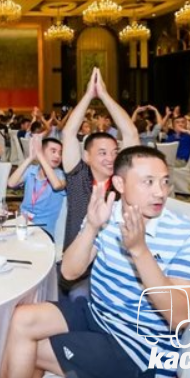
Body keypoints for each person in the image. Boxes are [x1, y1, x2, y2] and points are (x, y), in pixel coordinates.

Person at [0, 146, 190, 378]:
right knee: (19, 319)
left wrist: (140, 251)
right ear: (120, 184)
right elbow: (69, 272)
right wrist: (92, 226)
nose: (160, 192)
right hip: (98, 314)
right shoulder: (107, 213)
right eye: (148, 182)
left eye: (164, 182)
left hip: (139, 346)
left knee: (26, 351)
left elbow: (180, 318)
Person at [61, 67, 140, 253]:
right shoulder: (77, 176)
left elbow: (131, 133)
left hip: (112, 258)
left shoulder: (120, 181)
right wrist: (89, 95)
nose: (111, 158)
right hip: (77, 257)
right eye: (102, 153)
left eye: (114, 152)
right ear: (87, 156)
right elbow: (68, 133)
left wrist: (104, 95)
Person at [7, 135, 67, 238]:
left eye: (60, 153)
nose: (57, 156)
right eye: (53, 151)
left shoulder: (61, 176)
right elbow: (11, 183)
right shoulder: (32, 170)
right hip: (23, 222)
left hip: (43, 230)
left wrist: (40, 156)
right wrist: (30, 158)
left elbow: (56, 185)